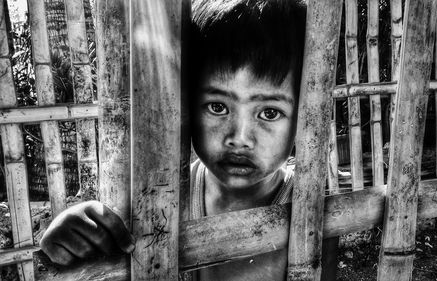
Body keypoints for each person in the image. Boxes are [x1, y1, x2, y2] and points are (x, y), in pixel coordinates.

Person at [40, 0, 339, 280]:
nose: (239, 138)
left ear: (303, 114)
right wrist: (74, 236)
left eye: (270, 112)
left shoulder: (311, 209)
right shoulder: (161, 197)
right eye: (217, 107)